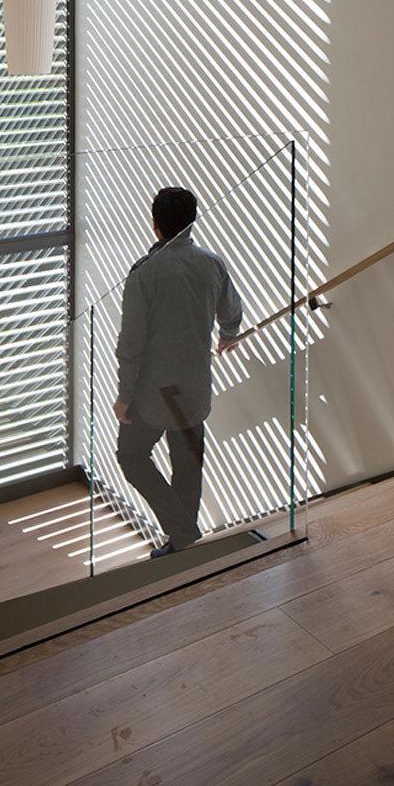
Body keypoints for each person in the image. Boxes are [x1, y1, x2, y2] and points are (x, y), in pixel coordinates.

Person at [114, 187, 243, 558]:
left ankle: (183, 537)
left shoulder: (145, 273)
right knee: (188, 468)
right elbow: (232, 310)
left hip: (153, 394)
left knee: (131, 456)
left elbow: (130, 346)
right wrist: (228, 336)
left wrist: (124, 396)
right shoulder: (212, 263)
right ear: (192, 220)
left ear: (155, 225)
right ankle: (184, 545)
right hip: (193, 389)